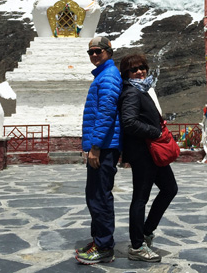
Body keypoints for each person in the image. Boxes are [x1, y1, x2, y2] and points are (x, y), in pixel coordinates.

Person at [118, 53, 178, 262]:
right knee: (140, 198)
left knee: (170, 188)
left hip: (151, 152)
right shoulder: (132, 93)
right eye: (134, 70)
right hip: (143, 153)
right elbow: (129, 122)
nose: (140, 72)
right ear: (127, 73)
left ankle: (146, 232)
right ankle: (136, 246)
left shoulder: (141, 90)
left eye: (142, 67)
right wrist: (156, 133)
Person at [75, 36, 123, 265]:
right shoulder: (103, 75)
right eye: (91, 52)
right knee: (94, 195)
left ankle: (104, 246)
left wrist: (95, 147)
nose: (94, 55)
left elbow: (105, 114)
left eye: (99, 51)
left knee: (100, 197)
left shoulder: (109, 77)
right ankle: (99, 240)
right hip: (101, 146)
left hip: (103, 147)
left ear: (109, 52)